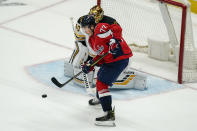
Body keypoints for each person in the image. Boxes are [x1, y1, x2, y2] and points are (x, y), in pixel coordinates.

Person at [80, 15, 133, 126]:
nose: (85, 30)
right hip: (111, 60)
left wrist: (115, 40)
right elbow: (102, 56)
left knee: (102, 83)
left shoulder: (100, 28)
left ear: (91, 26)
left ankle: (109, 114)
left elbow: (117, 28)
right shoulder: (92, 40)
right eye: (83, 28)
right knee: (100, 76)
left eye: (86, 27)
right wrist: (89, 65)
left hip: (120, 58)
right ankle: (101, 99)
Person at [65, 5, 119, 77]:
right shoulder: (82, 20)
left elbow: (117, 34)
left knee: (102, 53)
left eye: (95, 17)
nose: (93, 19)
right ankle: (71, 66)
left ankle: (98, 70)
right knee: (81, 47)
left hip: (102, 41)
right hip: (88, 37)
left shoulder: (110, 22)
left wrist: (112, 42)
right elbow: (79, 37)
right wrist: (85, 45)